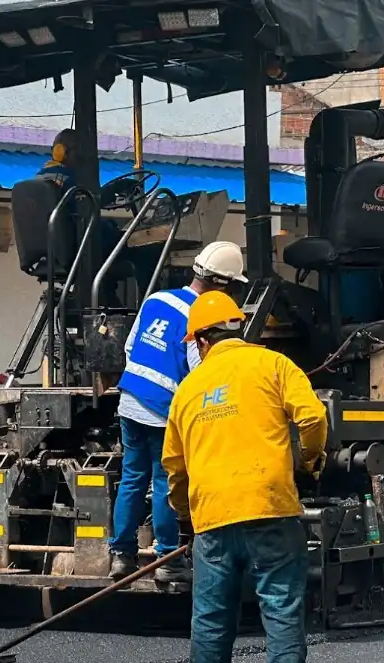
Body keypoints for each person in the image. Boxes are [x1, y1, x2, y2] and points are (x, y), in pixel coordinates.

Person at [162, 291, 327, 663]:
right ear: (237, 327)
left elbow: (174, 466)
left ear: (201, 341)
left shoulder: (187, 391)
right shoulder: (273, 364)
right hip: (269, 507)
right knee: (281, 610)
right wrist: (310, 461)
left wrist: (186, 518)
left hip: (213, 519)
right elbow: (313, 418)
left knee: (211, 621)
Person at [109, 241, 249, 582]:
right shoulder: (201, 315)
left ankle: (121, 556)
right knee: (164, 482)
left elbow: (130, 346)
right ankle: (168, 561)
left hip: (130, 400)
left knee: (131, 479)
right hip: (161, 410)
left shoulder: (156, 299)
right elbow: (201, 370)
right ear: (221, 283)